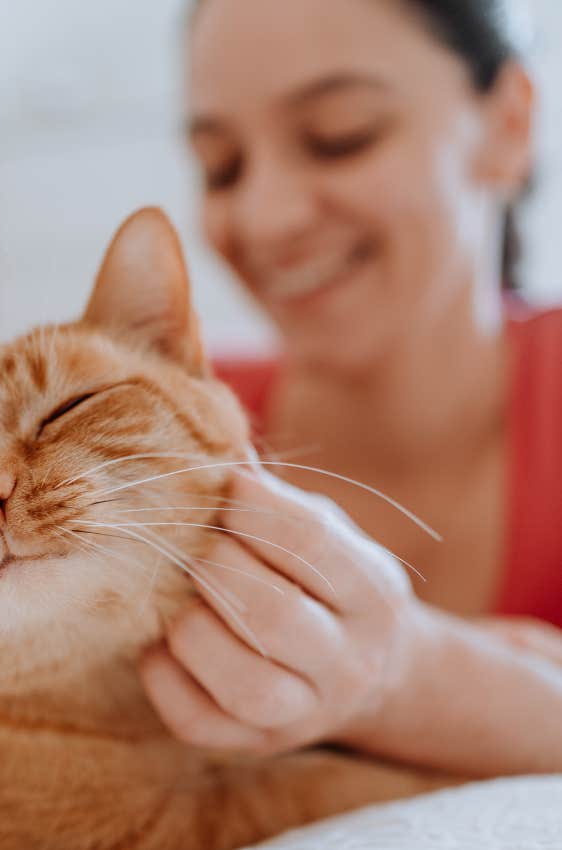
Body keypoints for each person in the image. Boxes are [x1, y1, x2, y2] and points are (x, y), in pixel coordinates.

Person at [140, 0, 562, 779]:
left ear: (508, 126)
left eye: (342, 135)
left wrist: (407, 680)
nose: (267, 216)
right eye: (221, 166)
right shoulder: (164, 430)